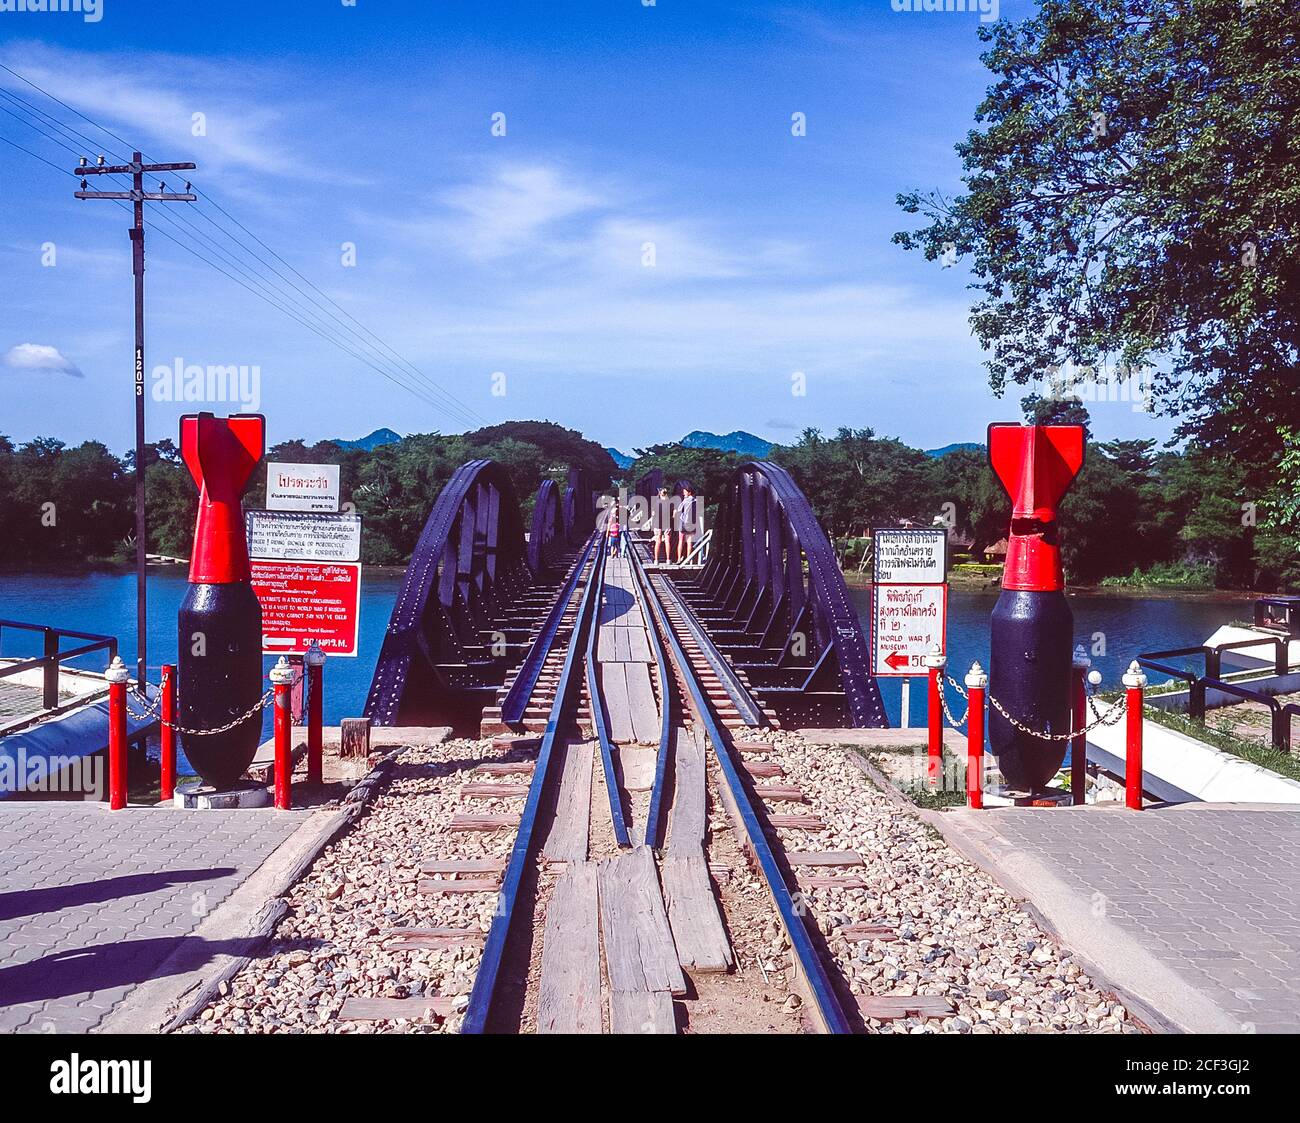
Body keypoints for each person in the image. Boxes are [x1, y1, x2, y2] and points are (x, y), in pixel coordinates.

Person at [677, 483, 703, 564]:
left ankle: (678, 559)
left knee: (680, 541)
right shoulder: (696, 500)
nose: (683, 493)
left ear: (689, 492)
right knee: (689, 542)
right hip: (691, 524)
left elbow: (679, 509)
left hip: (683, 523)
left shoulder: (685, 500)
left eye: (685, 492)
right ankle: (688, 559)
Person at [651, 486, 672, 564]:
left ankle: (656, 560)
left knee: (658, 541)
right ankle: (668, 560)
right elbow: (672, 514)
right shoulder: (669, 502)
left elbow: (653, 514)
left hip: (657, 523)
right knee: (667, 541)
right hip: (667, 523)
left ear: (660, 493)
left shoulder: (656, 502)